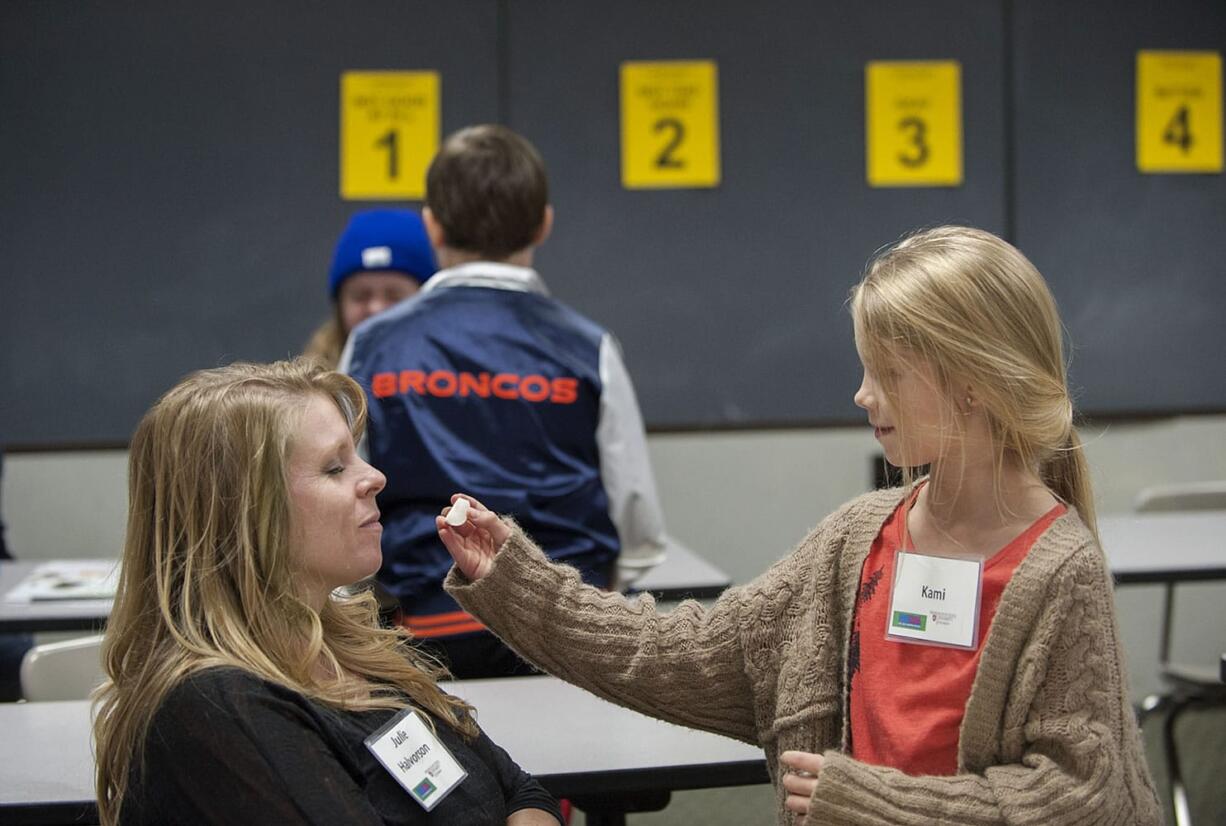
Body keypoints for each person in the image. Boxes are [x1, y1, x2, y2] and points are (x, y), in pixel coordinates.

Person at [435, 226, 1162, 825]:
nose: (861, 393)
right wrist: (515, 581)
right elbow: (680, 654)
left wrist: (876, 804)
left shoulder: (1060, 569)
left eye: (886, 372)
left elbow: (1080, 799)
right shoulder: (858, 540)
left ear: (971, 381)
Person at [92, 359, 562, 826]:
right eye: (335, 467)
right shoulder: (218, 706)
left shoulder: (356, 647)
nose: (375, 477)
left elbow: (521, 790)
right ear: (247, 512)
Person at [341, 124, 666, 678]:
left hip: (424, 632)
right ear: (543, 223)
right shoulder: (588, 347)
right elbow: (635, 516)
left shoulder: (372, 345)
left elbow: (344, 489)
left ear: (432, 224)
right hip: (566, 633)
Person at [304, 209, 437, 369]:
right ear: (339, 305)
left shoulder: (453, 375)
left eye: (394, 296)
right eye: (361, 296)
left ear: (428, 300)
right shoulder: (311, 382)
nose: (376, 308)